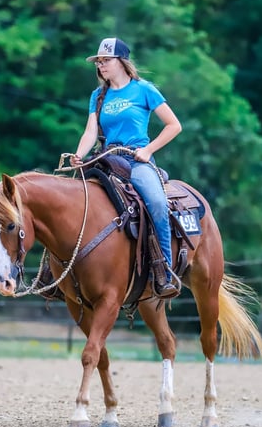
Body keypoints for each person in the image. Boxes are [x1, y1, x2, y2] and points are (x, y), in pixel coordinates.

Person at [70, 37, 183, 299]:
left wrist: (149, 150)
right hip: (106, 160)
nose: (101, 66)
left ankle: (164, 270)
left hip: (136, 160)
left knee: (156, 202)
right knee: (74, 201)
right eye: (98, 62)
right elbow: (90, 131)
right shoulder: (98, 96)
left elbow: (174, 125)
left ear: (122, 61)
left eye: (106, 60)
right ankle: (56, 273)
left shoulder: (144, 90)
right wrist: (79, 154)